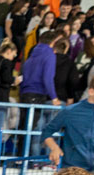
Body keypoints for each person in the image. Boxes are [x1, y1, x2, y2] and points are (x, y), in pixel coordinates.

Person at [19, 29, 61, 158]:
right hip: (37, 94)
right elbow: (48, 78)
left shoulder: (32, 54)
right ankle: (25, 159)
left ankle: (21, 158)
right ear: (53, 42)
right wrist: (54, 97)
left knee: (24, 128)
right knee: (31, 128)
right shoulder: (49, 55)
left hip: (25, 93)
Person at [0, 39, 20, 159]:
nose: (14, 57)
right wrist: (14, 80)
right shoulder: (6, 63)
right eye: (14, 54)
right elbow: (6, 78)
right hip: (0, 98)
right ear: (9, 51)